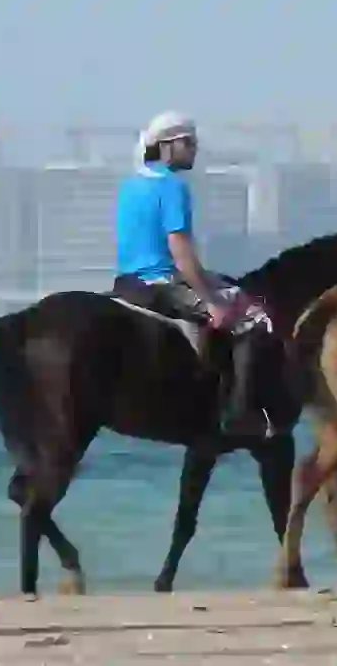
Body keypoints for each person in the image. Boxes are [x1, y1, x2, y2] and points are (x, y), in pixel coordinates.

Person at [112, 110, 273, 438]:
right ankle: (241, 414)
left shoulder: (130, 185)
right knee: (254, 318)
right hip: (162, 283)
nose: (194, 149)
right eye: (189, 143)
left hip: (127, 282)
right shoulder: (173, 187)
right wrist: (212, 300)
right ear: (168, 146)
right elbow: (181, 254)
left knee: (229, 287)